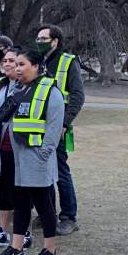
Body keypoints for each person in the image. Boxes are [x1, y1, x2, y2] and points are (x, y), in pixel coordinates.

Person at [0, 48, 65, 255]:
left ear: (36, 66)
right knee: (20, 203)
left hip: (37, 159)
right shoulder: (21, 90)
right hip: (18, 158)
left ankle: (50, 251)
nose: (17, 68)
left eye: (22, 64)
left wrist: (43, 155)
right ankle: (16, 248)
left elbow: (53, 128)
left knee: (44, 205)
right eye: (17, 64)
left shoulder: (51, 92)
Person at [36, 24, 85, 235]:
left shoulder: (67, 62)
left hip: (58, 128)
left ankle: (68, 217)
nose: (39, 42)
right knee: (43, 172)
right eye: (37, 38)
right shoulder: (38, 62)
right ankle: (48, 213)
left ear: (55, 41)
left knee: (61, 172)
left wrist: (63, 123)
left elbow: (77, 96)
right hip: (37, 127)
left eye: (43, 38)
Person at [0, 46, 32, 252]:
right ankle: (2, 231)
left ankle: (24, 232)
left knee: (19, 192)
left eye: (13, 61)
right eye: (5, 61)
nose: (8, 64)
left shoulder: (27, 88)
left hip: (17, 148)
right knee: (2, 191)